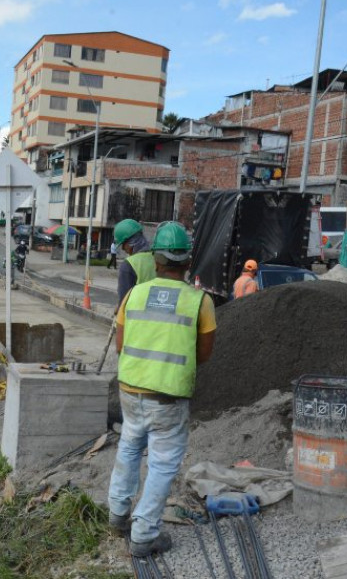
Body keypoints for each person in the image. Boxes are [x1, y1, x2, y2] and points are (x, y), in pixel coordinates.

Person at [108, 221, 216, 557]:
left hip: (130, 388)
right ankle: (143, 535)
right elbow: (203, 353)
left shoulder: (134, 295)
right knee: (163, 463)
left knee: (129, 444)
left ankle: (117, 513)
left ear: (156, 261)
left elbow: (121, 345)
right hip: (168, 395)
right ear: (187, 262)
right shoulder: (200, 301)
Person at [113, 219, 156, 304]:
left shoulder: (128, 264)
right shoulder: (157, 259)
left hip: (135, 315)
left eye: (123, 244)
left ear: (131, 242)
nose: (122, 248)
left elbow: (124, 300)